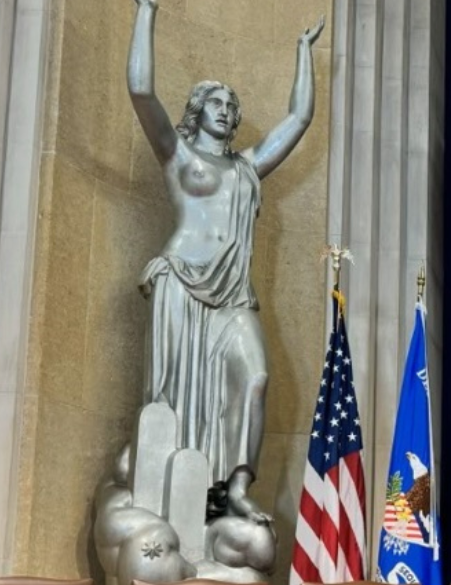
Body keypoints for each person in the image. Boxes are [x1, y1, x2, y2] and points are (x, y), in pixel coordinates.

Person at [127, 0, 324, 482]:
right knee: (170, 398)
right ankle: (169, 487)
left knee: (255, 378)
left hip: (233, 296)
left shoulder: (246, 168)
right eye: (217, 102)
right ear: (197, 110)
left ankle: (233, 488)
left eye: (232, 105)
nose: (227, 110)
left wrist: (303, 51)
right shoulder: (177, 155)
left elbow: (298, 118)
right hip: (180, 283)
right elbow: (141, 89)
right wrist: (146, 11)